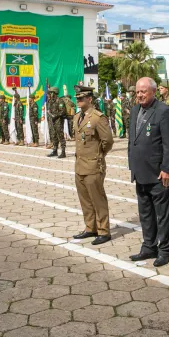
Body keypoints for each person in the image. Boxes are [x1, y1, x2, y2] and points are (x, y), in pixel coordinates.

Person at [128, 77, 169, 267]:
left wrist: (167, 168)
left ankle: (164, 250)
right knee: (145, 213)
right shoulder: (134, 111)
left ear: (154, 92)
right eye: (138, 92)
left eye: (144, 92)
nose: (140, 95)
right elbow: (132, 141)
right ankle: (149, 246)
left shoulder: (163, 111)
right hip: (140, 172)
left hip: (159, 174)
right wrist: (132, 165)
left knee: (163, 214)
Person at [70, 86, 114, 245]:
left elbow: (107, 141)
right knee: (85, 199)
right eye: (77, 98)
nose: (78, 101)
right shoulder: (77, 117)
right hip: (80, 165)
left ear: (90, 99)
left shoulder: (97, 117)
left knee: (97, 199)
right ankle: (91, 227)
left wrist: (99, 155)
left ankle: (104, 231)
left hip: (94, 165)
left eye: (81, 98)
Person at [47, 87, 67, 157]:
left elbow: (63, 111)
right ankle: (55, 151)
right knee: (54, 136)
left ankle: (63, 152)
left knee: (60, 136)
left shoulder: (60, 101)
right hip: (52, 121)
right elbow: (49, 110)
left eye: (50, 92)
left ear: (54, 93)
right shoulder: (50, 101)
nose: (49, 94)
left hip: (58, 121)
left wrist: (55, 115)